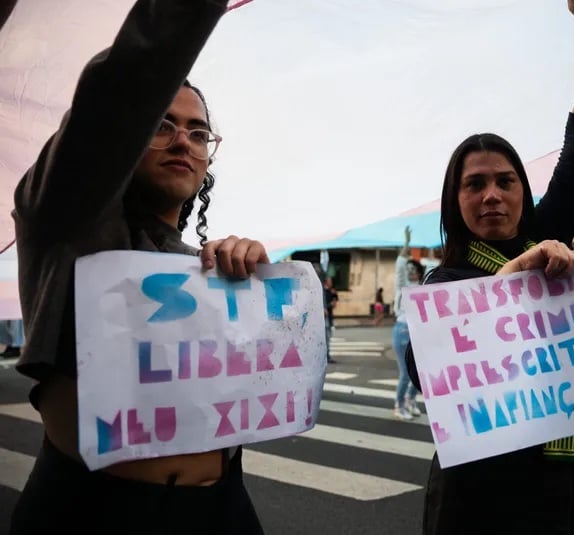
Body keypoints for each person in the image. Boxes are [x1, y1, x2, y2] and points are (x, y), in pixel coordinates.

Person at [10, 1, 266, 533]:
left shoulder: (202, 266)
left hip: (225, 510)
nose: (182, 141)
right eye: (161, 123)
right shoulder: (62, 217)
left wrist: (254, 287)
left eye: (199, 133)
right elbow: (119, 91)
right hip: (93, 513)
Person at [405, 0, 574, 530]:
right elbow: (426, 373)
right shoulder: (442, 283)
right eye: (475, 184)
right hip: (475, 499)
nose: (492, 195)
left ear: (524, 191)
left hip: (558, 491)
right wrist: (517, 272)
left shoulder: (550, 240)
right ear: (456, 201)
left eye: (506, 181)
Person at [392, 226, 425, 420]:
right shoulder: (402, 287)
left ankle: (411, 401)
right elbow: (400, 267)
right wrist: (406, 244)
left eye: (414, 270)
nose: (411, 272)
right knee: (405, 372)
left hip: (419, 333)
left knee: (419, 372)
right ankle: (399, 405)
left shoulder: (422, 288)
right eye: (409, 269)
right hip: (403, 331)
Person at [323, 276, 339, 364]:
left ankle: (327, 356)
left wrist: (335, 297)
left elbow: (335, 299)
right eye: (330, 281)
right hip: (324, 319)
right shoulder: (323, 292)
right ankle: (326, 357)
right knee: (326, 338)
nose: (331, 283)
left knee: (328, 337)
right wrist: (328, 306)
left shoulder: (330, 291)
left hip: (329, 317)